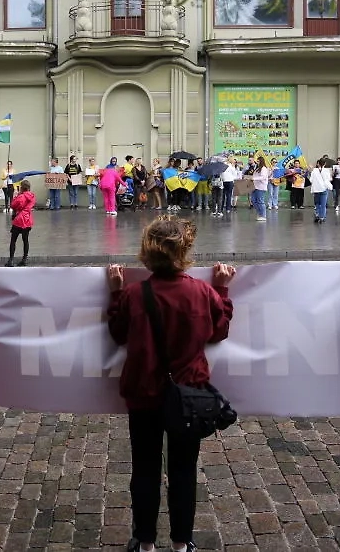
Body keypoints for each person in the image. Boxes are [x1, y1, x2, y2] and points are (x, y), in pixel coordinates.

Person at [106, 216, 236, 552]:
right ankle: (181, 543)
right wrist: (222, 288)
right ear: (184, 251)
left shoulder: (135, 295)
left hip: (143, 392)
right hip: (189, 394)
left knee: (145, 469)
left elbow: (118, 333)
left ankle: (145, 542)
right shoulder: (201, 292)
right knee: (183, 470)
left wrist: (116, 292)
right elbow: (219, 332)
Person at [7, 180, 35, 267]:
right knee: (25, 240)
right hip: (27, 219)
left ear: (22, 187)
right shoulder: (32, 196)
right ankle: (24, 259)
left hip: (19, 218)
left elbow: (13, 205)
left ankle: (11, 260)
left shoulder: (21, 196)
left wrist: (16, 195)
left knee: (13, 240)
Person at [310, 158, 332, 223]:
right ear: (325, 164)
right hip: (324, 189)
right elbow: (329, 179)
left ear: (318, 163)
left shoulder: (314, 171)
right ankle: (322, 217)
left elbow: (311, 180)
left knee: (317, 203)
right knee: (323, 204)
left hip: (316, 189)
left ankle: (317, 214)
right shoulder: (327, 171)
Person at [251, 156, 269, 222]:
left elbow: (263, 177)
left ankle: (263, 215)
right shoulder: (257, 168)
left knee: (260, 201)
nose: (257, 162)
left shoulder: (264, 168)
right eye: (257, 161)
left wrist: (254, 178)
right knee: (253, 200)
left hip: (261, 187)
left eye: (258, 161)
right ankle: (259, 212)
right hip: (255, 186)